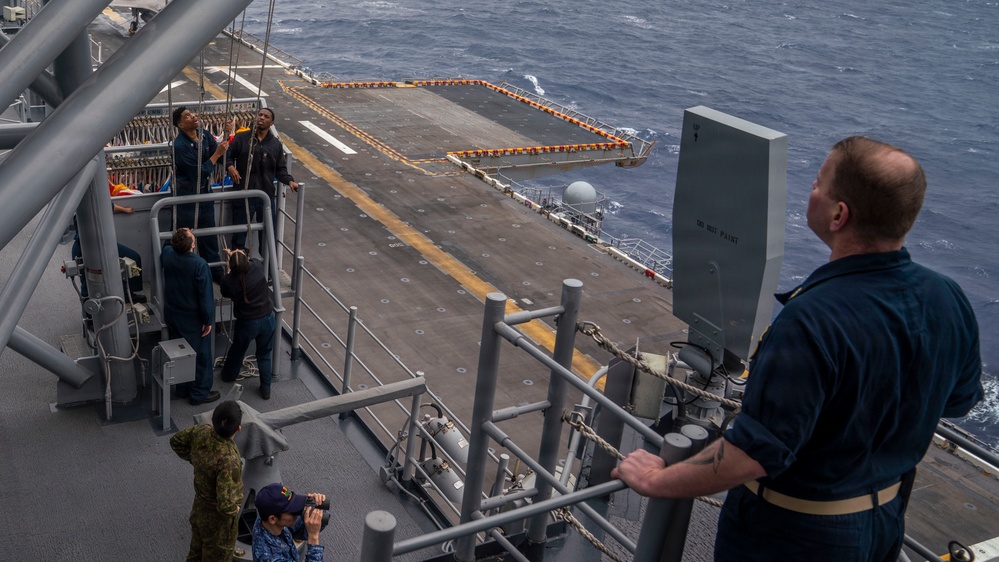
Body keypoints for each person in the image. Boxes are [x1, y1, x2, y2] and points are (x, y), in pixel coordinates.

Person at [611, 136, 983, 561]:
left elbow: (753, 453)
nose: (812, 189)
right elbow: (957, 402)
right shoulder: (947, 297)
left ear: (839, 215)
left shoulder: (812, 320)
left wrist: (658, 479)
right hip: (882, 525)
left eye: (818, 184)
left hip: (794, 537)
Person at [170, 400, 244, 562]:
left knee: (195, 552)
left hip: (199, 508)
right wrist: (236, 509)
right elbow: (226, 505)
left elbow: (176, 441)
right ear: (239, 428)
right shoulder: (229, 460)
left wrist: (195, 460)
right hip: (218, 524)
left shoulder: (202, 431)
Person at [225, 107, 299, 252]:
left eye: (266, 116)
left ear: (272, 122)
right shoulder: (242, 138)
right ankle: (238, 267)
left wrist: (290, 181)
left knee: (267, 236)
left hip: (265, 196)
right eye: (260, 115)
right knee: (239, 235)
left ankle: (268, 271)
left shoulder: (276, 145)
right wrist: (230, 167)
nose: (262, 118)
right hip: (243, 194)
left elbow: (280, 169)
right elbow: (227, 155)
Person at [162, 227, 219, 405]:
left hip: (172, 312)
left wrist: (181, 233)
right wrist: (207, 320)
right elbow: (205, 296)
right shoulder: (199, 265)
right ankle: (199, 394)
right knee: (200, 356)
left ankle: (181, 388)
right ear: (192, 246)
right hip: (192, 318)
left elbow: (166, 245)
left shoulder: (168, 254)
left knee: (179, 351)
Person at [173, 105, 227, 281]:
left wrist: (225, 141)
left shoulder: (204, 134)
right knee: (183, 237)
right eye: (187, 116)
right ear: (180, 125)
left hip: (204, 193)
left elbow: (215, 151)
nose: (193, 116)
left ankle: (216, 273)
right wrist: (217, 155)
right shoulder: (180, 146)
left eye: (192, 113)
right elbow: (198, 173)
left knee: (209, 235)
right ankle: (180, 274)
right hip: (186, 197)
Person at [219, 247, 276, 400]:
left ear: (232, 267)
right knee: (264, 354)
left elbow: (225, 289)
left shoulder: (229, 281)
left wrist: (229, 263)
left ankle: (229, 376)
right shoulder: (257, 267)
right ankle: (266, 388)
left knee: (238, 349)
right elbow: (250, 261)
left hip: (247, 323)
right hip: (267, 318)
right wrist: (237, 255)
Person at [251, 483, 326, 562]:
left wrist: (316, 505)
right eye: (291, 511)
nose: (296, 513)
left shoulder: (267, 518)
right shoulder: (269, 557)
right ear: (272, 519)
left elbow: (302, 528)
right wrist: (313, 537)